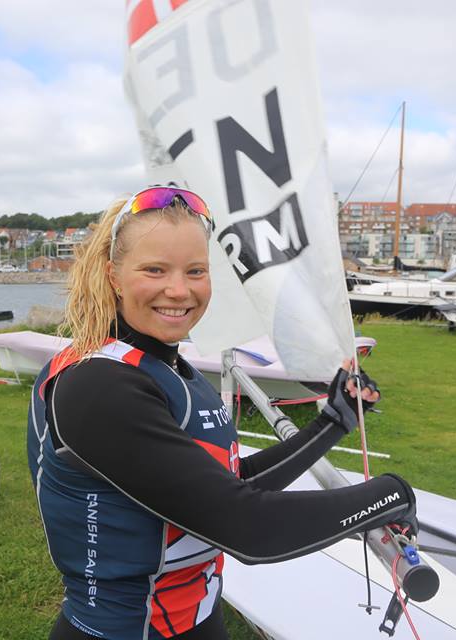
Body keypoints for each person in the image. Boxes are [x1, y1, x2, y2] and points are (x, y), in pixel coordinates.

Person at [27, 186, 418, 640]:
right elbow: (246, 526)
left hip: (198, 620)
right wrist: (389, 494)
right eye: (155, 269)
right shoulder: (99, 384)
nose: (179, 289)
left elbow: (227, 484)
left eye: (196, 270)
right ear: (114, 276)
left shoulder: (165, 367)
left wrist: (335, 421)